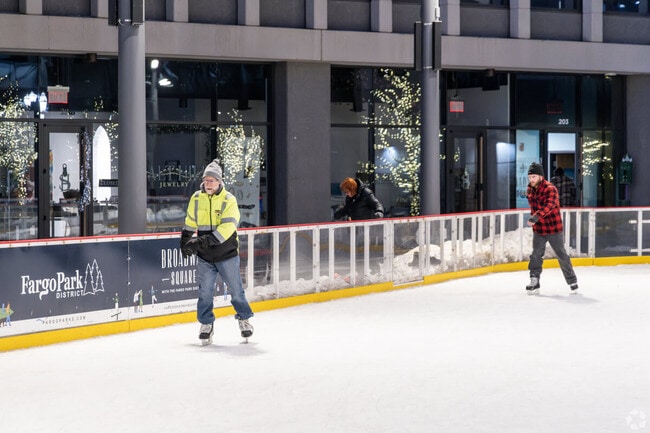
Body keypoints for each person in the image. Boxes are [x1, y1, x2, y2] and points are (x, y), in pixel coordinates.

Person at [180, 159, 254, 345]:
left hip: (226, 254)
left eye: (212, 180)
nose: (208, 184)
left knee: (236, 291)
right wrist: (185, 240)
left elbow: (228, 228)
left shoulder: (229, 199)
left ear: (220, 182)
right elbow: (190, 221)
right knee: (205, 292)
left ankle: (244, 319)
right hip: (205, 256)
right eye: (206, 180)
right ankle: (206, 324)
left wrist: (202, 241)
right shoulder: (197, 198)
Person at [525, 162, 578, 295]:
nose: (531, 180)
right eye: (530, 177)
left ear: (541, 177)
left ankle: (572, 280)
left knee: (561, 255)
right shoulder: (530, 189)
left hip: (554, 229)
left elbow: (548, 206)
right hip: (539, 229)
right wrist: (535, 220)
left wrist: (535, 217)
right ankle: (534, 279)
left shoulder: (550, 188)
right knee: (536, 255)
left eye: (534, 177)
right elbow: (533, 207)